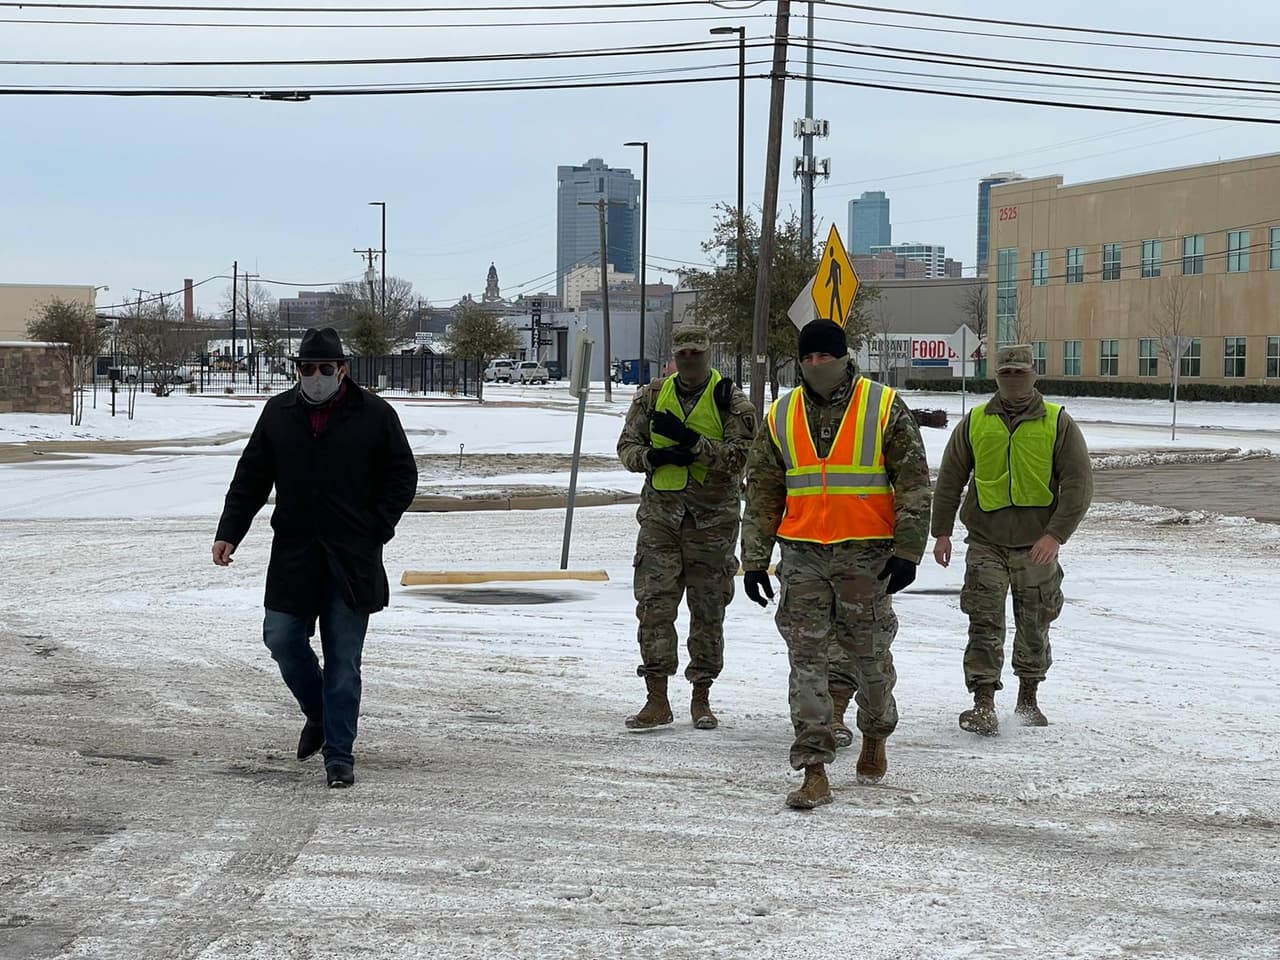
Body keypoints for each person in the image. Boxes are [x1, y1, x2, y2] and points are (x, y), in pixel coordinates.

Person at [212, 327, 418, 789]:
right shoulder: (278, 413)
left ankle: (339, 756)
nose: (317, 377)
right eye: (308, 369)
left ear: (343, 370)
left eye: (327, 368)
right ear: (297, 371)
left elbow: (402, 476)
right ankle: (320, 714)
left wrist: (376, 527)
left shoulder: (375, 415)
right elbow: (250, 478)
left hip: (351, 559)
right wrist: (230, 533)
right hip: (295, 554)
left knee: (344, 663)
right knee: (281, 638)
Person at [741, 319, 931, 809]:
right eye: (807, 359)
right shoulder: (781, 415)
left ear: (844, 357)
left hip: (866, 556)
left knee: (869, 658)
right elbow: (763, 491)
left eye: (824, 357)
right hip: (802, 555)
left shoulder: (883, 406)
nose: (815, 366)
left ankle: (875, 733)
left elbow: (912, 483)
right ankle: (814, 768)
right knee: (806, 662)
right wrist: (756, 560)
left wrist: (908, 551)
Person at [931, 343, 1093, 736]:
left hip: (1037, 545)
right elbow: (951, 478)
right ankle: (983, 702)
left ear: (1033, 376)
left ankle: (1028, 699)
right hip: (986, 541)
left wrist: (1055, 535)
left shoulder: (1058, 423)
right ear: (996, 376)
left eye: (1020, 374)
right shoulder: (975, 422)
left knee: (1034, 621)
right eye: (1006, 374)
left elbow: (1078, 483)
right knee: (984, 621)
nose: (1013, 381)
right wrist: (941, 532)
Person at [616, 324, 757, 731]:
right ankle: (657, 698)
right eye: (683, 354)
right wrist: (650, 459)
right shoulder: (652, 396)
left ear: (708, 354)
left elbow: (741, 459)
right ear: (675, 356)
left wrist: (695, 445)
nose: (689, 361)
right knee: (654, 607)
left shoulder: (732, 401)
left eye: (697, 353)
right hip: (661, 520)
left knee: (708, 610)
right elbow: (626, 447)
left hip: (711, 523)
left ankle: (702, 696)